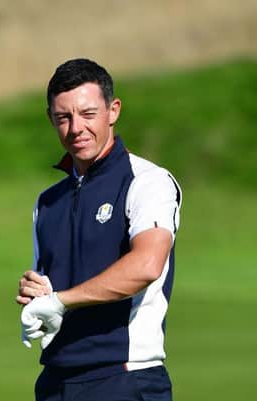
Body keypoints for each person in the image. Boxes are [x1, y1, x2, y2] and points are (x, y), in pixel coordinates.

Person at [17, 58, 182, 401]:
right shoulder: (48, 202)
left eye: (88, 113)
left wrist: (61, 302)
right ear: (51, 119)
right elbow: (51, 287)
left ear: (113, 110)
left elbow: (146, 265)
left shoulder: (148, 182)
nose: (76, 128)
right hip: (55, 381)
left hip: (124, 377)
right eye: (64, 117)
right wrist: (38, 295)